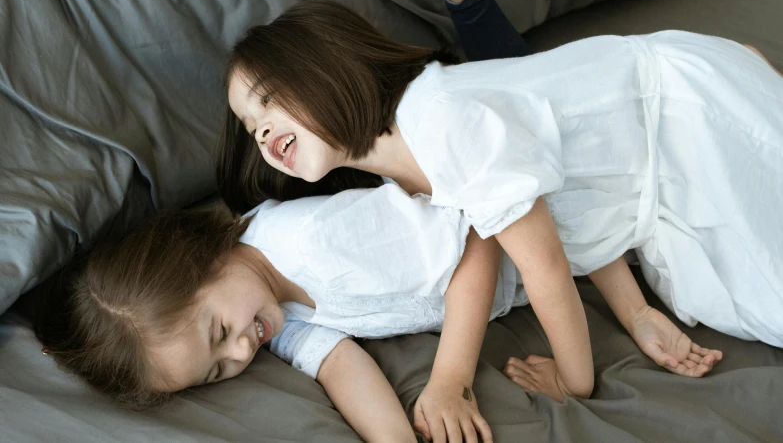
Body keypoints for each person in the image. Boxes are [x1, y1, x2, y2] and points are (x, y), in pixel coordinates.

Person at [216, 0, 783, 434]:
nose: (261, 134)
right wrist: (636, 316)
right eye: (250, 127)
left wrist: (574, 380)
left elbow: (545, 266)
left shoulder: (437, 126)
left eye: (267, 104)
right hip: (654, 170)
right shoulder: (406, 174)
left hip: (682, 123)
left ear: (325, 69)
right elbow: (567, 201)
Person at [32, 187, 723, 443]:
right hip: (569, 253)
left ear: (204, 262)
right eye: (216, 373)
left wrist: (448, 379)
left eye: (219, 335)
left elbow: (478, 237)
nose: (240, 356)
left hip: (555, 213)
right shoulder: (265, 307)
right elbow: (339, 366)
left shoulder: (308, 244)